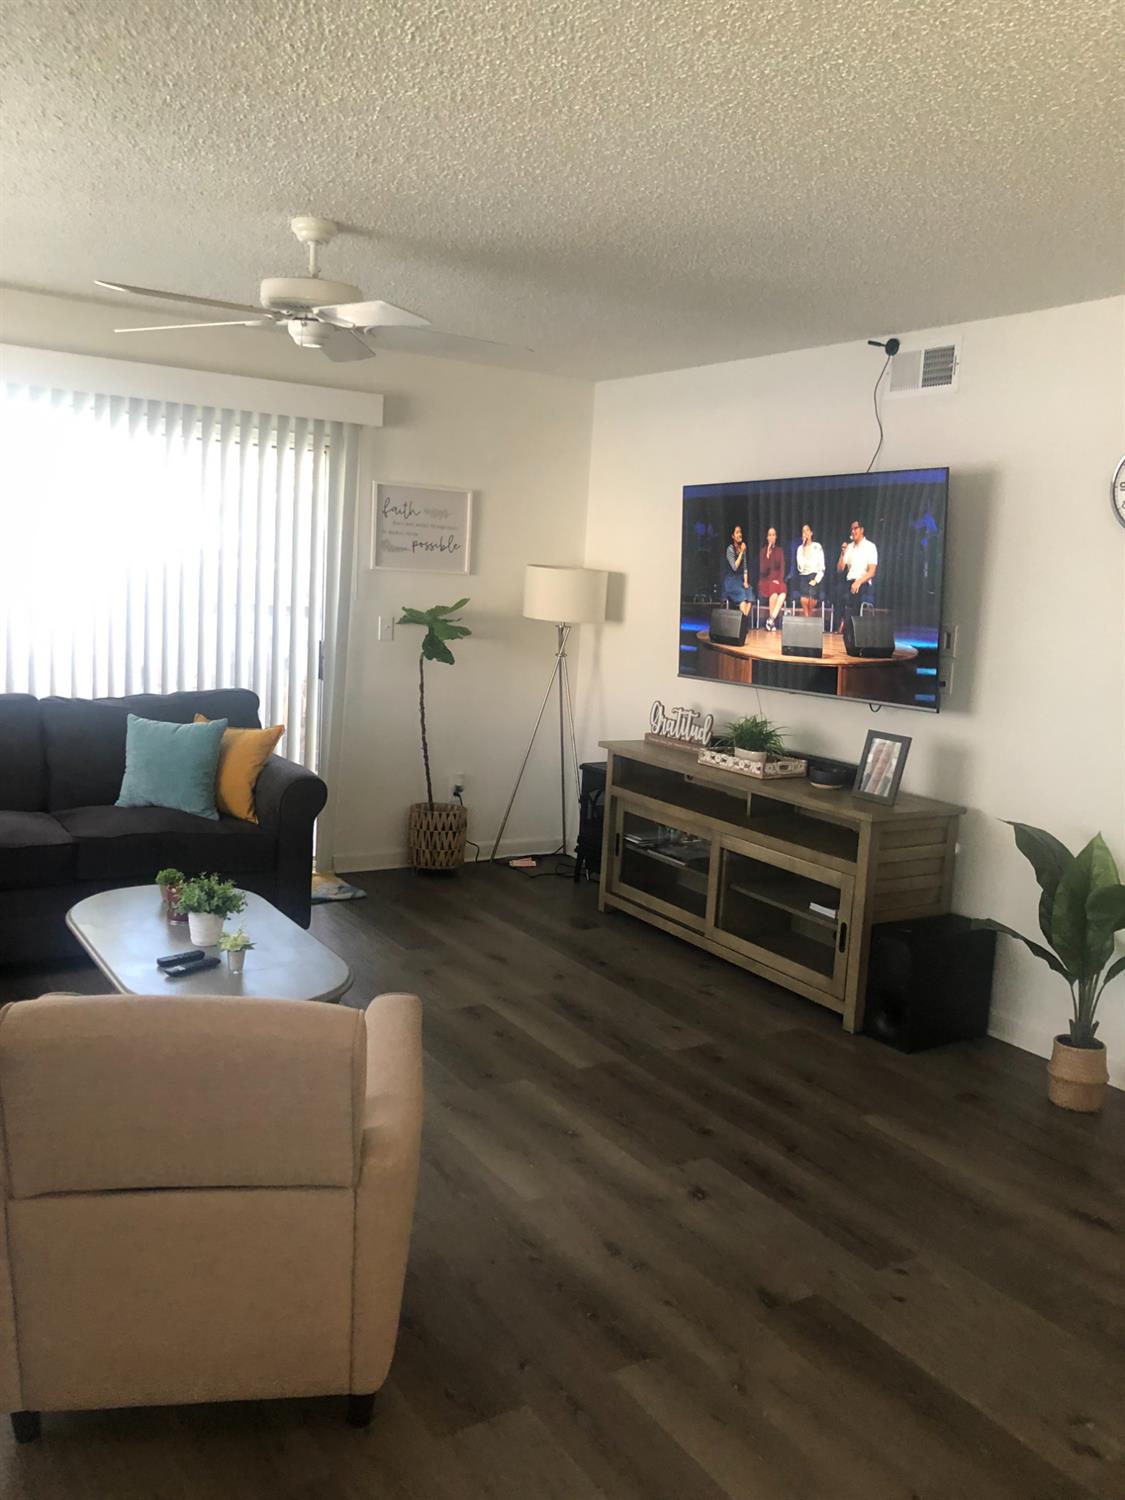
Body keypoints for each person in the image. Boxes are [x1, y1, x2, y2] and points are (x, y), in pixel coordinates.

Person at [836, 519, 878, 632]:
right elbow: (840, 569)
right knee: (837, 592)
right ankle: (841, 623)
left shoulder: (870, 546)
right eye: (852, 529)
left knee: (855, 595)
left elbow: (872, 571)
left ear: (862, 530)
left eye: (855, 528)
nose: (853, 531)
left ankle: (852, 628)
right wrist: (842, 553)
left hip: (863, 582)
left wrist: (859, 582)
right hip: (849, 581)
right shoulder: (849, 547)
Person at [757, 526, 787, 631]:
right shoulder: (763, 551)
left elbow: (782, 568)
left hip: (778, 579)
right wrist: (768, 555)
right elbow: (763, 570)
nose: (771, 537)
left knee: (783, 592)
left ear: (776, 537)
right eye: (769, 535)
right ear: (767, 537)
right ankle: (771, 623)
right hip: (765, 580)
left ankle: (771, 619)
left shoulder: (780, 550)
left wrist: (779, 580)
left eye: (773, 535)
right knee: (774, 593)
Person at [721, 523, 753, 616]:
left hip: (740, 579)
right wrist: (742, 552)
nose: (740, 535)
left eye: (740, 532)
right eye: (737, 532)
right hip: (731, 580)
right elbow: (734, 567)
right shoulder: (730, 549)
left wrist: (746, 582)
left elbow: (745, 567)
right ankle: (744, 622)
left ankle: (744, 618)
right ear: (733, 536)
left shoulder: (742, 548)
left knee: (750, 591)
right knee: (742, 595)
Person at [794, 523, 825, 617]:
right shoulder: (800, 549)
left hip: (815, 575)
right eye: (803, 531)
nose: (805, 533)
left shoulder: (817, 546)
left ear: (811, 533)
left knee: (811, 598)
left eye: (807, 530)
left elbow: (822, 566)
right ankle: (807, 617)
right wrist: (804, 549)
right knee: (804, 599)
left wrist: (816, 579)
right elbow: (801, 567)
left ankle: (809, 616)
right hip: (804, 575)